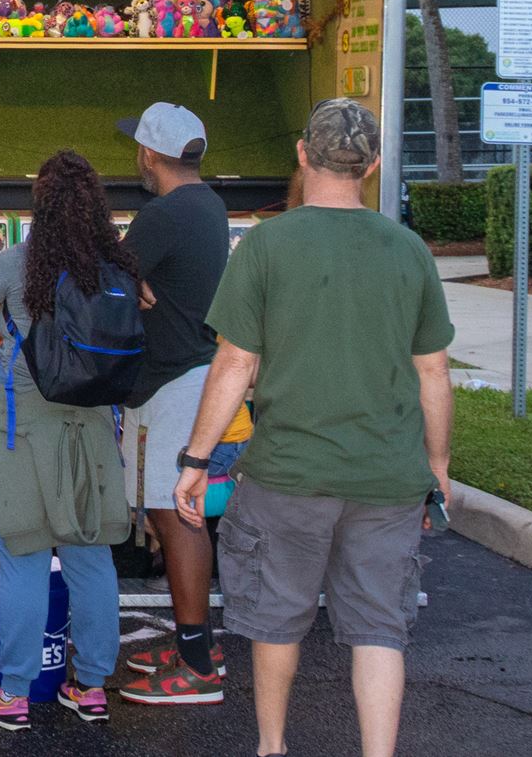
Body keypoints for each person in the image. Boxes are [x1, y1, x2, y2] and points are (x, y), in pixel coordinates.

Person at [176, 99, 454, 757]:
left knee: (278, 620)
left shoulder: (267, 244)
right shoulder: (408, 249)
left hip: (288, 473)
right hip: (387, 476)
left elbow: (235, 363)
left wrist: (197, 456)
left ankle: (273, 746)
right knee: (379, 629)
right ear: (375, 164)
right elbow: (434, 372)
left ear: (303, 153)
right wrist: (436, 465)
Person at [0, 150, 135, 730]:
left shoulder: (18, 263)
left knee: (24, 554)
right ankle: (94, 686)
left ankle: (12, 694)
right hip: (92, 423)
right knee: (89, 553)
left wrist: (0, 324)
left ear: (42, 203)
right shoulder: (117, 266)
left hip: (22, 426)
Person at [112, 102, 232, 708]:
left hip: (174, 380)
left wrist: (126, 275)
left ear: (150, 155)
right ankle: (195, 642)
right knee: (171, 512)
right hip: (186, 373)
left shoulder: (164, 213)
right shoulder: (206, 203)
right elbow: (125, 272)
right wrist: (134, 277)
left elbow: (102, 275)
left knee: (174, 512)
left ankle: (195, 665)